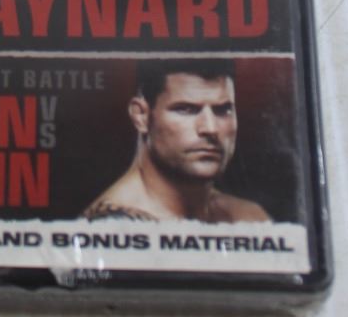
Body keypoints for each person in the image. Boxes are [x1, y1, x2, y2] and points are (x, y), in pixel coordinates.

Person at [83, 61, 269, 224]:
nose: (211, 128)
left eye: (222, 110)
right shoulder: (111, 228)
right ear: (141, 116)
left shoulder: (249, 216)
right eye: (186, 109)